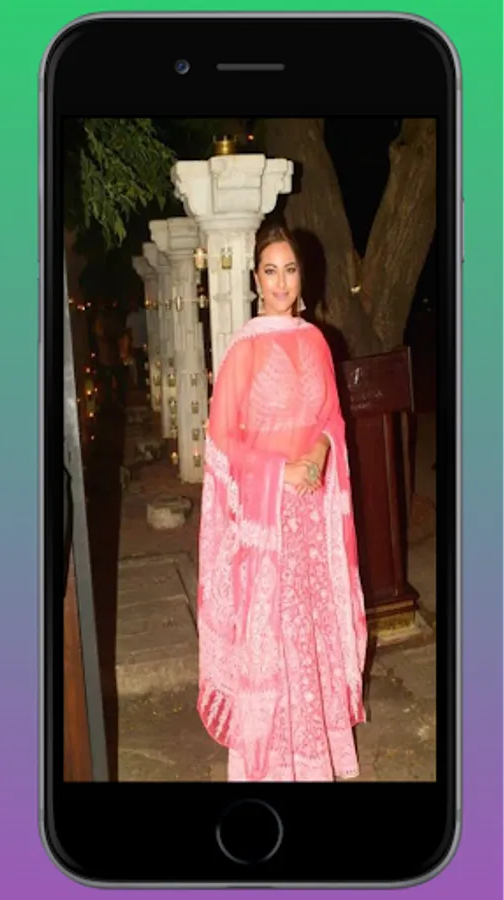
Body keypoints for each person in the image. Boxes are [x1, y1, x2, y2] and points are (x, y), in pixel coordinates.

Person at [197, 222, 368, 782]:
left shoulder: (317, 340)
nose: (280, 282)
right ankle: (273, 766)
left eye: (289, 270)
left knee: (312, 631)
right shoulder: (244, 349)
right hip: (268, 516)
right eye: (270, 271)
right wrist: (280, 470)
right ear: (255, 279)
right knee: (276, 635)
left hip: (312, 514)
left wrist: (320, 448)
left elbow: (332, 417)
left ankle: (317, 756)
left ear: (301, 277)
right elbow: (222, 441)